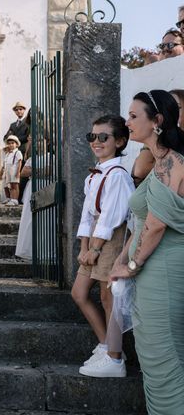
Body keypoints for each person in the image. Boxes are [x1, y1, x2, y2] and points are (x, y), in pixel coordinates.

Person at [110, 90, 184, 413]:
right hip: (150, 270)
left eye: (133, 116)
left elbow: (155, 226)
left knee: (164, 357)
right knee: (154, 360)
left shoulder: (173, 163)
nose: (127, 122)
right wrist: (121, 258)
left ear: (157, 121)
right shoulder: (157, 162)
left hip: (163, 270)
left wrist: (131, 264)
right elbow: (140, 222)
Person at [70, 115, 134, 378]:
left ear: (119, 141)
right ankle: (107, 344)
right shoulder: (96, 173)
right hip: (95, 238)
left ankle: (115, 358)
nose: (96, 142)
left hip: (112, 238)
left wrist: (95, 249)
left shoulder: (117, 175)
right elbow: (87, 214)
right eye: (92, 137)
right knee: (79, 292)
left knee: (109, 297)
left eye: (103, 137)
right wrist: (84, 246)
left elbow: (111, 218)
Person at [0, 135, 23, 206]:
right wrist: (1, 172)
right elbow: (4, 164)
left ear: (16, 144)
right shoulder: (8, 153)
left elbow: (19, 162)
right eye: (9, 143)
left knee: (14, 185)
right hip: (8, 170)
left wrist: (18, 172)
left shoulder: (17, 152)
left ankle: (15, 199)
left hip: (14, 170)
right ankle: (10, 198)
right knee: (9, 185)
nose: (11, 145)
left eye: (13, 143)